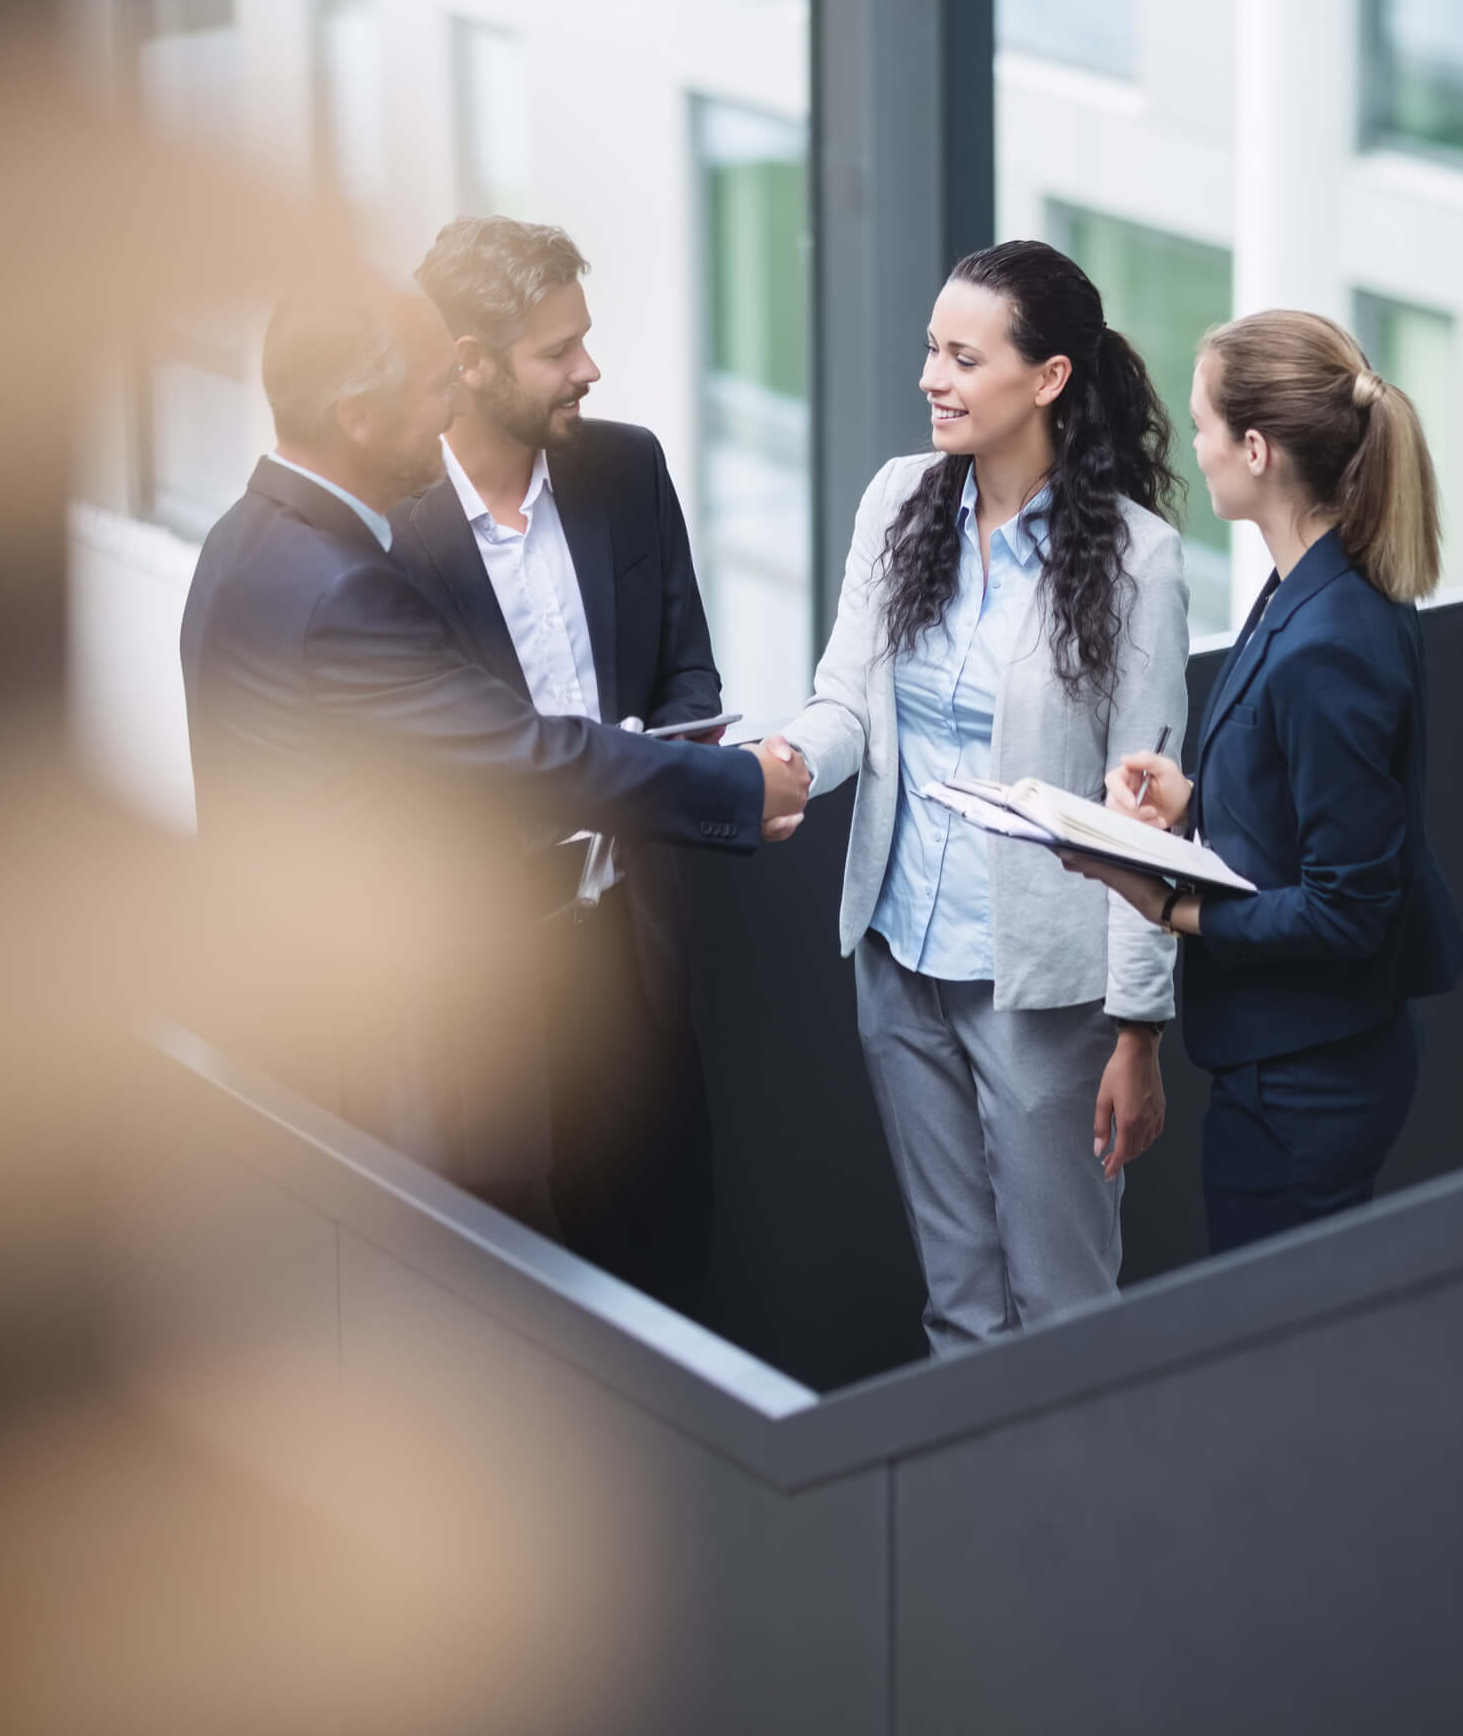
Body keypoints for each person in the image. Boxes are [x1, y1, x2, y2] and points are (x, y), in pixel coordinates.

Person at [179, 279, 809, 1215]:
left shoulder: (242, 543)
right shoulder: (346, 591)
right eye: (435, 387)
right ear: (357, 416)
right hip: (398, 1068)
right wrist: (737, 784)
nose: (451, 409)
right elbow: (530, 756)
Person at [775, 239, 1190, 1355]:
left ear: (1049, 378)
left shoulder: (1138, 562)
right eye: (929, 350)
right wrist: (783, 767)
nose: (931, 378)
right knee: (957, 1303)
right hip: (899, 961)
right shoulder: (898, 499)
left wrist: (1140, 1029)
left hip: (1044, 997)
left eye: (964, 355)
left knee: (1064, 1311)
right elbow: (847, 703)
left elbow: (1141, 815)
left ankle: (1084, 1526)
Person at [1064, 309, 1463, 1254]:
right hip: (1291, 1059)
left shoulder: (1333, 635)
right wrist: (1193, 800)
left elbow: (1346, 910)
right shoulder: (1308, 586)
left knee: (1283, 1368)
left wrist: (1169, 908)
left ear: (1257, 449)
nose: (1193, 445)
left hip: (1308, 1077)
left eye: (1204, 425)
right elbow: (1311, 800)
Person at [394, 215, 727, 1314]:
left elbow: (691, 682)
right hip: (478, 991)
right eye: (557, 351)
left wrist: (667, 753)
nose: (590, 368)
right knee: (509, 1323)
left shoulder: (627, 470)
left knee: (668, 1292)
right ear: (471, 365)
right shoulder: (391, 537)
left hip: (634, 961)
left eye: (584, 338)